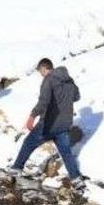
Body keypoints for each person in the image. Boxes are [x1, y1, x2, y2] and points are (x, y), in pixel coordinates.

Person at [10, 58, 85, 190]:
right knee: (66, 152)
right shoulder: (69, 80)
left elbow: (44, 101)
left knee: (28, 143)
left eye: (40, 72)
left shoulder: (48, 80)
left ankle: (16, 168)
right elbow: (76, 97)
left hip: (49, 123)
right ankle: (76, 179)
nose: (41, 74)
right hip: (64, 123)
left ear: (44, 68)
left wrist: (32, 116)